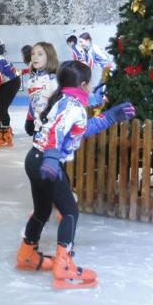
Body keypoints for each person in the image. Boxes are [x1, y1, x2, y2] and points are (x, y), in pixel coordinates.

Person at [18, 60, 134, 286]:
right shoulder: (72, 106)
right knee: (70, 211)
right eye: (89, 83)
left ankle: (27, 253)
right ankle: (63, 265)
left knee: (42, 210)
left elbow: (80, 130)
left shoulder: (65, 100)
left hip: (34, 159)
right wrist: (52, 159)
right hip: (46, 162)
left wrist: (110, 117)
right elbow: (57, 132)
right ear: (82, 84)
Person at [21, 42, 59, 138]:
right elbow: (34, 101)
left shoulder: (53, 80)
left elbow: (59, 103)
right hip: (38, 126)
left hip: (49, 128)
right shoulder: (32, 79)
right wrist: (29, 119)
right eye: (33, 54)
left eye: (40, 54)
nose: (35, 57)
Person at [77, 32, 115, 109]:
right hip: (105, 72)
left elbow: (89, 65)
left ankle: (96, 110)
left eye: (81, 42)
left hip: (106, 73)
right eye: (79, 42)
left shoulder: (92, 50)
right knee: (97, 92)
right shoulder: (92, 48)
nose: (80, 44)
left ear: (88, 41)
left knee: (97, 93)